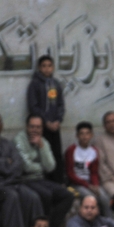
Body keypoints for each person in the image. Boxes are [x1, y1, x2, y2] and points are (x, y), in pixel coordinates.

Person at [14, 115, 75, 227]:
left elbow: (51, 167)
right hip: (24, 180)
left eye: (38, 127)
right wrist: (42, 166)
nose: (35, 130)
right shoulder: (19, 140)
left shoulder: (43, 141)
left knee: (68, 195)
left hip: (40, 179)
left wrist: (41, 146)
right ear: (26, 127)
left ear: (42, 129)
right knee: (46, 195)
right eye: (32, 127)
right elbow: (26, 167)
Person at [27, 55, 66, 184]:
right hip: (42, 128)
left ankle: (58, 182)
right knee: (44, 155)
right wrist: (46, 122)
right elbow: (33, 106)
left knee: (56, 155)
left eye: (49, 66)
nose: (47, 69)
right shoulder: (35, 84)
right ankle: (47, 182)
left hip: (55, 127)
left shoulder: (56, 84)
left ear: (53, 67)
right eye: (44, 66)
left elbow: (60, 104)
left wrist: (58, 120)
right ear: (39, 68)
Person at [65, 121, 111, 217]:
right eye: (81, 134)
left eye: (87, 133)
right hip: (76, 184)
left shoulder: (94, 151)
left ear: (91, 135)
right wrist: (87, 185)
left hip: (90, 182)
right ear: (77, 136)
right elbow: (70, 174)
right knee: (91, 198)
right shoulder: (71, 150)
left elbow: (94, 172)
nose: (84, 137)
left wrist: (95, 185)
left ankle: (109, 222)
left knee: (104, 198)